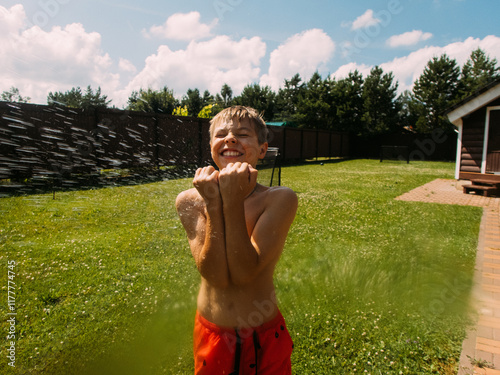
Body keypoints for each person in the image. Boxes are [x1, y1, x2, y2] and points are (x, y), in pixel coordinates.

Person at [175, 106, 298, 374]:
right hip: (212, 333)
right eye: (221, 134)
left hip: (262, 335)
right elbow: (215, 276)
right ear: (211, 146)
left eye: (242, 134)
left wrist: (229, 201)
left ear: (262, 150)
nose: (230, 139)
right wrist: (213, 203)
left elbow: (244, 273)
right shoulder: (189, 200)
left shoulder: (279, 199)